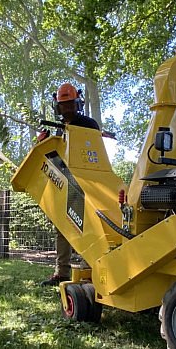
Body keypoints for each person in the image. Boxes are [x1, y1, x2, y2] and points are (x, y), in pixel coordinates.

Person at [39, 83, 100, 286]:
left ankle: (89, 269)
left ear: (78, 103)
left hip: (89, 181)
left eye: (71, 105)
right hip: (66, 182)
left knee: (90, 225)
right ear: (58, 106)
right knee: (63, 227)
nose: (68, 109)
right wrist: (42, 143)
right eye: (64, 106)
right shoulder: (55, 130)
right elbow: (52, 158)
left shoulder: (89, 125)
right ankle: (62, 273)